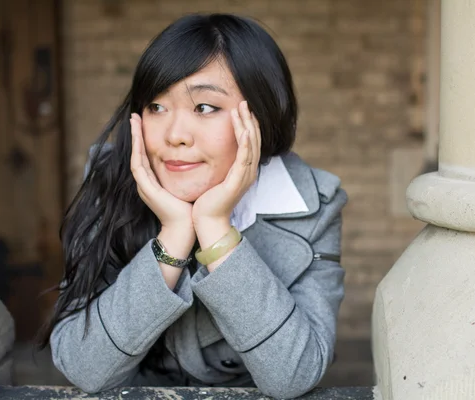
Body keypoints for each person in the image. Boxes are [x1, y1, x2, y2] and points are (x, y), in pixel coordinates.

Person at [38, 13, 347, 399]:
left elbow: (296, 374)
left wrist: (215, 228)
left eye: (204, 108)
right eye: (156, 106)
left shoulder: (311, 204)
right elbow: (83, 367)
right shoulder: (110, 182)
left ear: (262, 115)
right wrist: (173, 238)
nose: (175, 136)